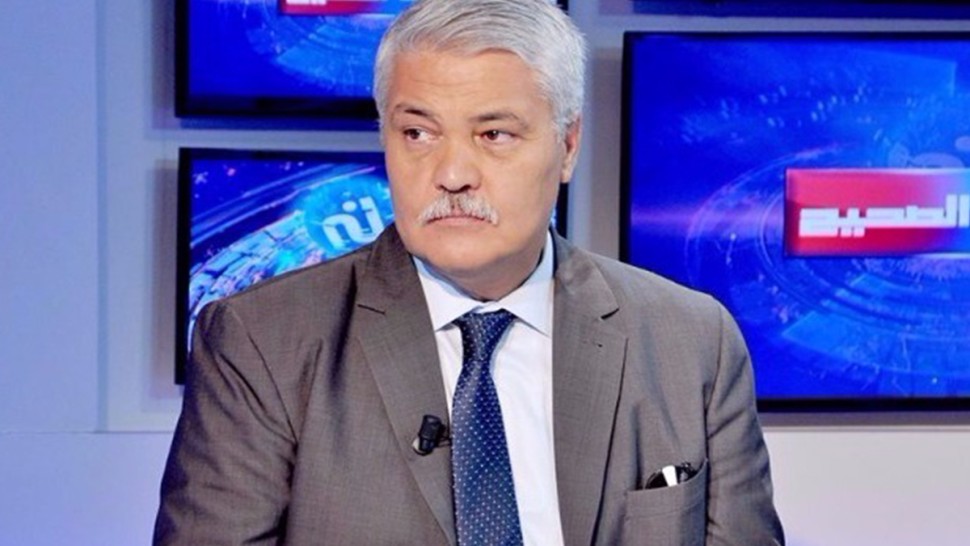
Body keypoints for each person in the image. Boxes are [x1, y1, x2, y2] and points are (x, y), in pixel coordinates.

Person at [154, 0, 785, 544]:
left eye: (494, 135)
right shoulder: (263, 342)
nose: (452, 175)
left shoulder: (690, 342)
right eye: (418, 133)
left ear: (567, 146)